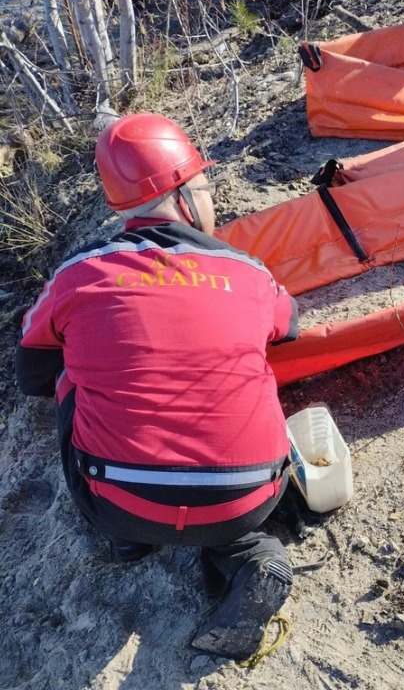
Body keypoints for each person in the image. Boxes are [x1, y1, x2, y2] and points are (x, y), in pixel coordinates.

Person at [15, 113, 301, 662]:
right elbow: (290, 326)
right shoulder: (248, 272)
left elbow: (31, 374)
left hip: (118, 505)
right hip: (250, 500)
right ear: (184, 193)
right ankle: (247, 552)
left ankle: (131, 540)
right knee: (247, 370)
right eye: (208, 188)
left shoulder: (79, 273)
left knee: (70, 371)